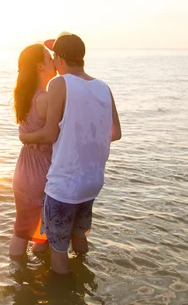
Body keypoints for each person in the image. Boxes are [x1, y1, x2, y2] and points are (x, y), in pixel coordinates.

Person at [19, 33, 122, 274]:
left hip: (64, 185)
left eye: (54, 57)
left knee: (58, 248)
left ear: (59, 58)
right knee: (79, 236)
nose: (53, 62)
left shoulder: (59, 83)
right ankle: (84, 276)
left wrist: (25, 138)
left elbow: (49, 133)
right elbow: (115, 133)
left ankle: (63, 292)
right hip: (93, 182)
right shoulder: (103, 86)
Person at [9, 43, 57, 257]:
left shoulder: (26, 96)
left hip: (24, 170)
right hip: (42, 171)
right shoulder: (45, 99)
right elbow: (55, 134)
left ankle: (19, 277)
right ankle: (27, 278)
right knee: (40, 230)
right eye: (49, 58)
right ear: (39, 66)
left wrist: (25, 138)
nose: (54, 61)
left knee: (23, 229)